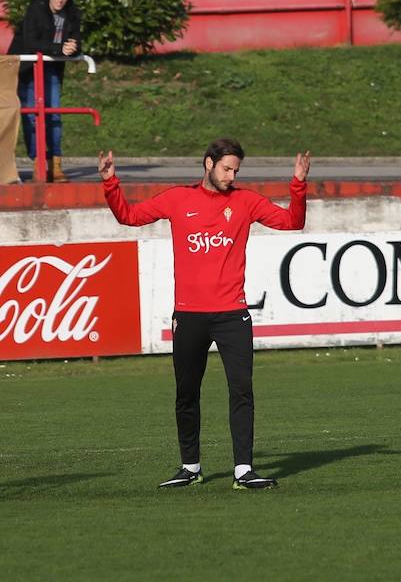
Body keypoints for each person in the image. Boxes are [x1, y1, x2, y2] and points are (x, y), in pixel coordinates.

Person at [100, 138, 311, 489]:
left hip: (233, 315)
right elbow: (129, 216)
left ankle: (243, 470)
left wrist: (298, 184)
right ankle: (190, 467)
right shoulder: (177, 198)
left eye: (236, 170)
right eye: (227, 168)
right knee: (186, 393)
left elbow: (292, 222)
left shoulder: (246, 202)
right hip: (189, 315)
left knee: (241, 390)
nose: (231, 176)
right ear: (208, 164)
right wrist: (110, 182)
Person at [7, 0, 81, 182]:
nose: (60, 0)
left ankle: (55, 164)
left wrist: (74, 47)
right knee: (32, 115)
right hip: (28, 68)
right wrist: (59, 49)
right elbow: (31, 42)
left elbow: (76, 40)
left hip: (51, 68)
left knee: (53, 114)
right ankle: (39, 161)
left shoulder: (72, 12)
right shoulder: (36, 9)